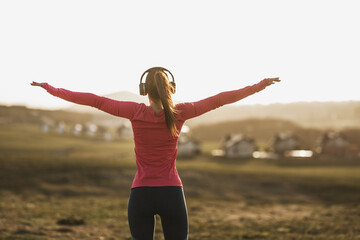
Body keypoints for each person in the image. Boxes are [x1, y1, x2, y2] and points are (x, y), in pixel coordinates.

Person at [31, 68, 280, 240]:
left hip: (140, 194)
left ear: (144, 90)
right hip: (171, 192)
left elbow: (93, 100)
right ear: (171, 88)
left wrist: (50, 89)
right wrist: (260, 86)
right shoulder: (181, 112)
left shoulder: (134, 111)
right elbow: (220, 99)